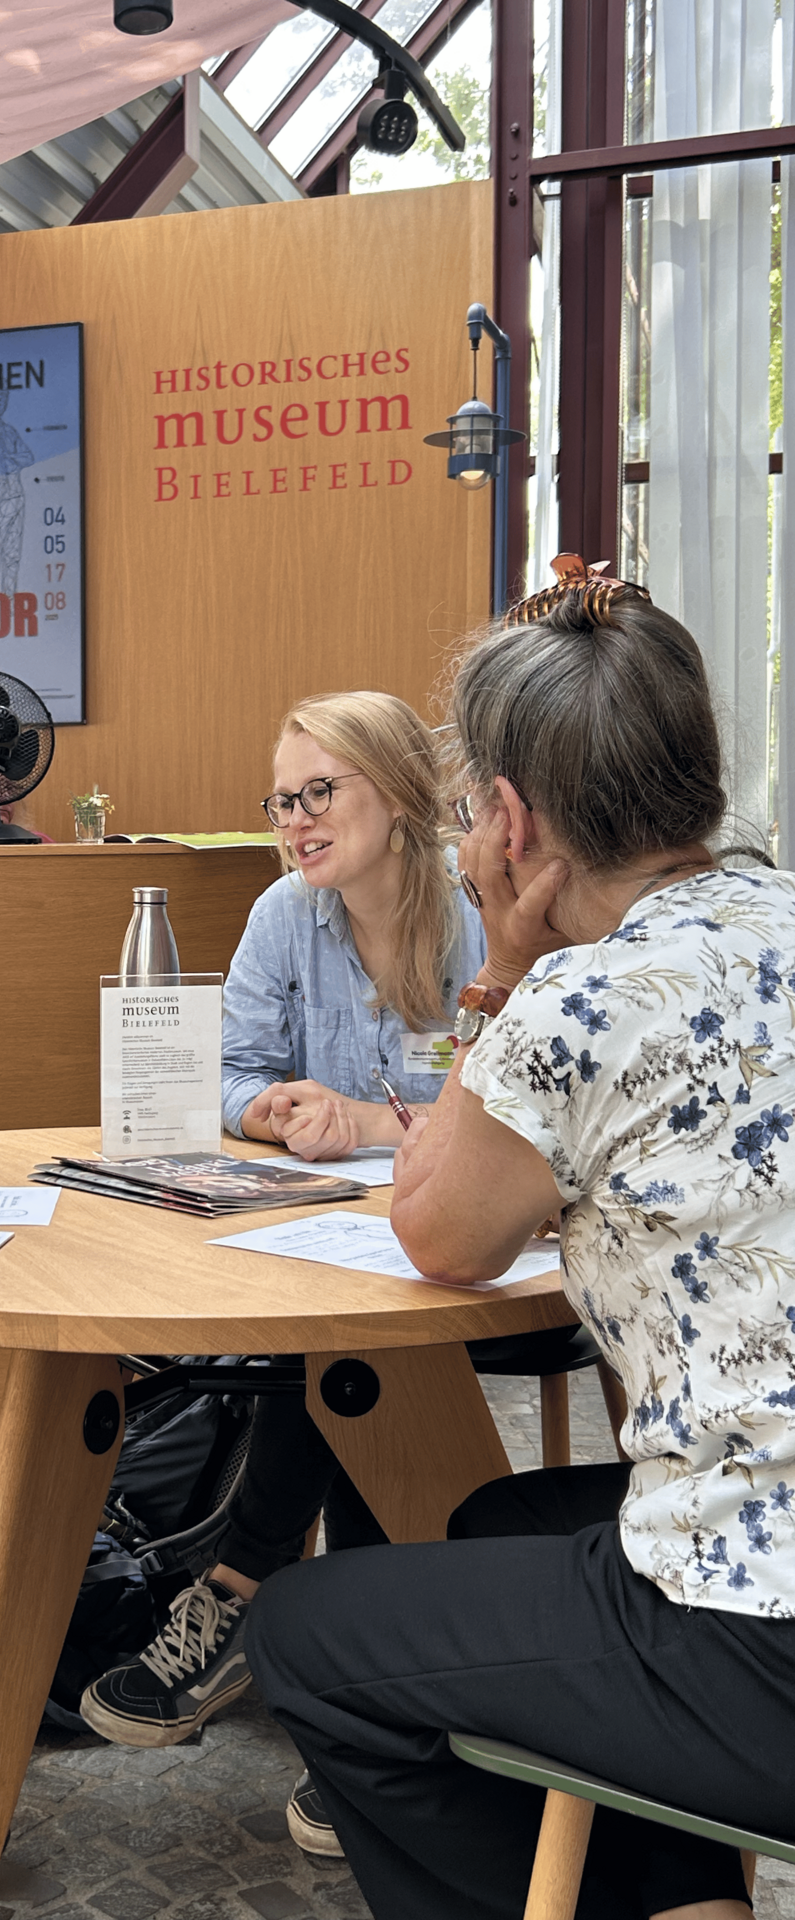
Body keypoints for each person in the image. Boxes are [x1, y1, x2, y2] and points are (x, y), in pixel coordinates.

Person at [246, 557, 795, 1920]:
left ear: (503, 820)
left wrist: (499, 969)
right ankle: (687, 1902)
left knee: (303, 1637)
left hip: (759, 1638)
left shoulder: (579, 1003)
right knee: (499, 1521)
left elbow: (437, 1231)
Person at [83, 692, 528, 1851]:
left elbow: (522, 1105)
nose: (295, 821)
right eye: (282, 800)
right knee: (338, 1331)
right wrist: (275, 1111)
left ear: (397, 791)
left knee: (356, 1341)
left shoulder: (484, 910)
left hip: (484, 1242)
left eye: (319, 792)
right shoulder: (287, 914)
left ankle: (266, 1606)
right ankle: (360, 1695)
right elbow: (228, 1074)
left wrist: (371, 1126)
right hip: (332, 1235)